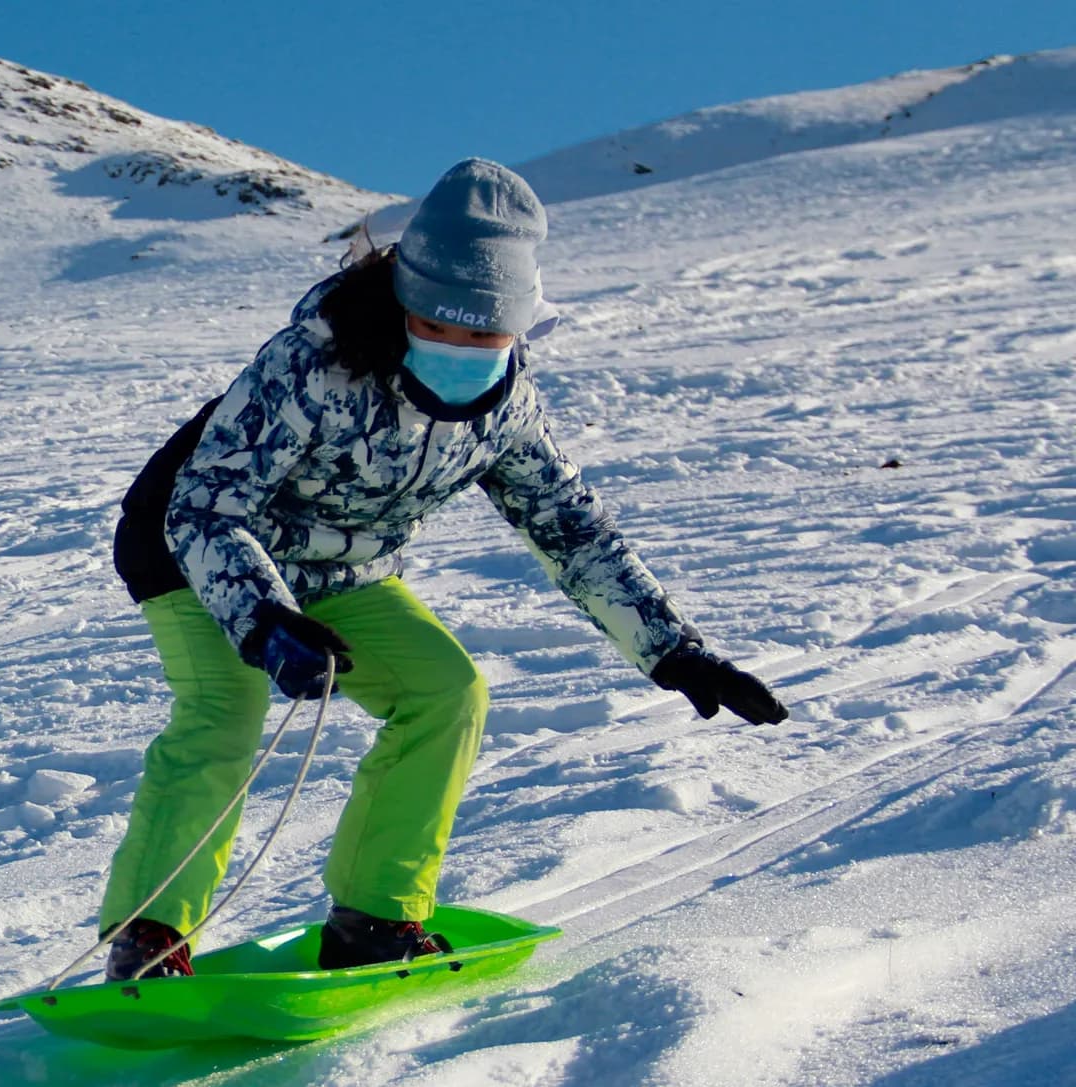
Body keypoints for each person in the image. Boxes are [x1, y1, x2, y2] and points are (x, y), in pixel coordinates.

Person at [101, 159, 788, 980]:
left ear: (519, 326)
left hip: (343, 567)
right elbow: (207, 504)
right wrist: (263, 619)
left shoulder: (507, 408)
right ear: (404, 304)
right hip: (195, 544)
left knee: (446, 692)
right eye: (441, 326)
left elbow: (570, 530)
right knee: (226, 712)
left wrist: (673, 650)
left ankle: (374, 922)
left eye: (485, 335)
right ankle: (151, 938)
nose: (462, 349)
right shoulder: (312, 365)